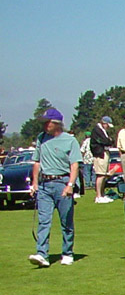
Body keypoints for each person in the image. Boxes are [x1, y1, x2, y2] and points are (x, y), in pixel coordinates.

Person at [28, 108, 81, 267]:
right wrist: (35, 183)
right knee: (44, 221)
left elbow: (74, 165)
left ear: (56, 124)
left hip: (62, 183)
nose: (45, 126)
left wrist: (70, 185)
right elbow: (37, 162)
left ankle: (67, 252)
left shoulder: (70, 141)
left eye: (47, 123)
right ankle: (42, 253)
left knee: (66, 222)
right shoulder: (41, 138)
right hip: (44, 185)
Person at [89, 115, 116, 203]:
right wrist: (109, 141)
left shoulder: (102, 130)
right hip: (100, 154)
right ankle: (98, 196)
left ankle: (102, 194)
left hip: (104, 153)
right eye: (107, 125)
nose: (108, 127)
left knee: (104, 175)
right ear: (104, 123)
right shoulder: (97, 130)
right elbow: (105, 141)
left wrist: (109, 141)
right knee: (100, 175)